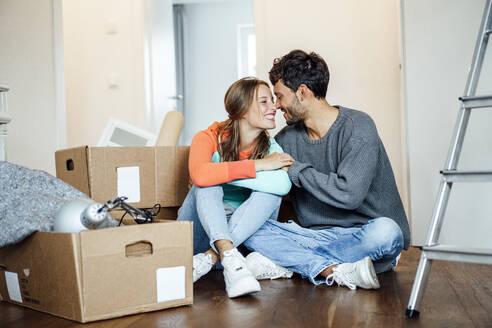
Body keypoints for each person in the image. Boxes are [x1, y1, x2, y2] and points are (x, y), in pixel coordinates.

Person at [243, 50, 411, 290]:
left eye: (279, 96)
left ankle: (292, 263)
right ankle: (329, 268)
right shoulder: (286, 140)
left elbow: (348, 195)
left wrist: (295, 170)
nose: (276, 105)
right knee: (247, 227)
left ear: (302, 92)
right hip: (311, 237)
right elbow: (254, 170)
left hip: (364, 235)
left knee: (387, 232)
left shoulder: (359, 126)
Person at [177, 77, 294, 298]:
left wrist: (220, 173)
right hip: (198, 239)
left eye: (273, 100)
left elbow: (282, 184)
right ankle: (224, 253)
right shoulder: (207, 137)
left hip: (238, 247)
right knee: (206, 185)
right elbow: (201, 177)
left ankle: (217, 256)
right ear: (241, 109)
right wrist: (259, 166)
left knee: (271, 192)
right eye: (264, 101)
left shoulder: (270, 146)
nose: (274, 107)